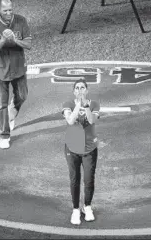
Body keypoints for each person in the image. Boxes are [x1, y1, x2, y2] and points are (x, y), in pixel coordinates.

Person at [0, 0, 32, 149]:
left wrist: (15, 40)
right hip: (0, 71)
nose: (8, 13)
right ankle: (4, 135)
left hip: (18, 68)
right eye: (5, 10)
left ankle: (12, 113)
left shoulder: (21, 21)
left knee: (23, 95)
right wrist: (3, 40)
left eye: (10, 10)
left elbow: (28, 44)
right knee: (1, 104)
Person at [62, 78, 100, 225]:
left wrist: (86, 106)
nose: (80, 90)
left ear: (87, 90)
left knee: (89, 180)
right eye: (77, 88)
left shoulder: (94, 104)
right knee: (75, 179)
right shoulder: (68, 104)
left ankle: (87, 206)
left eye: (82, 88)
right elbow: (70, 121)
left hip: (90, 149)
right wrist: (78, 106)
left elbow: (91, 121)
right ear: (73, 91)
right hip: (72, 148)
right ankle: (76, 210)